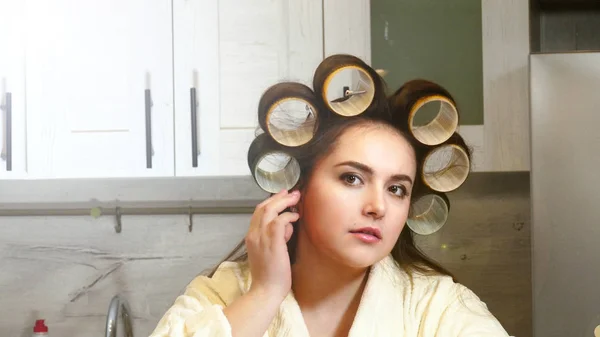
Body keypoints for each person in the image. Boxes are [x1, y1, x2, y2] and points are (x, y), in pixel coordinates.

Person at [149, 55, 511, 337]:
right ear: (298, 190)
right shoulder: (225, 292)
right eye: (352, 178)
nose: (377, 207)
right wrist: (264, 294)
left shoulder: (438, 307)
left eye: (397, 189)